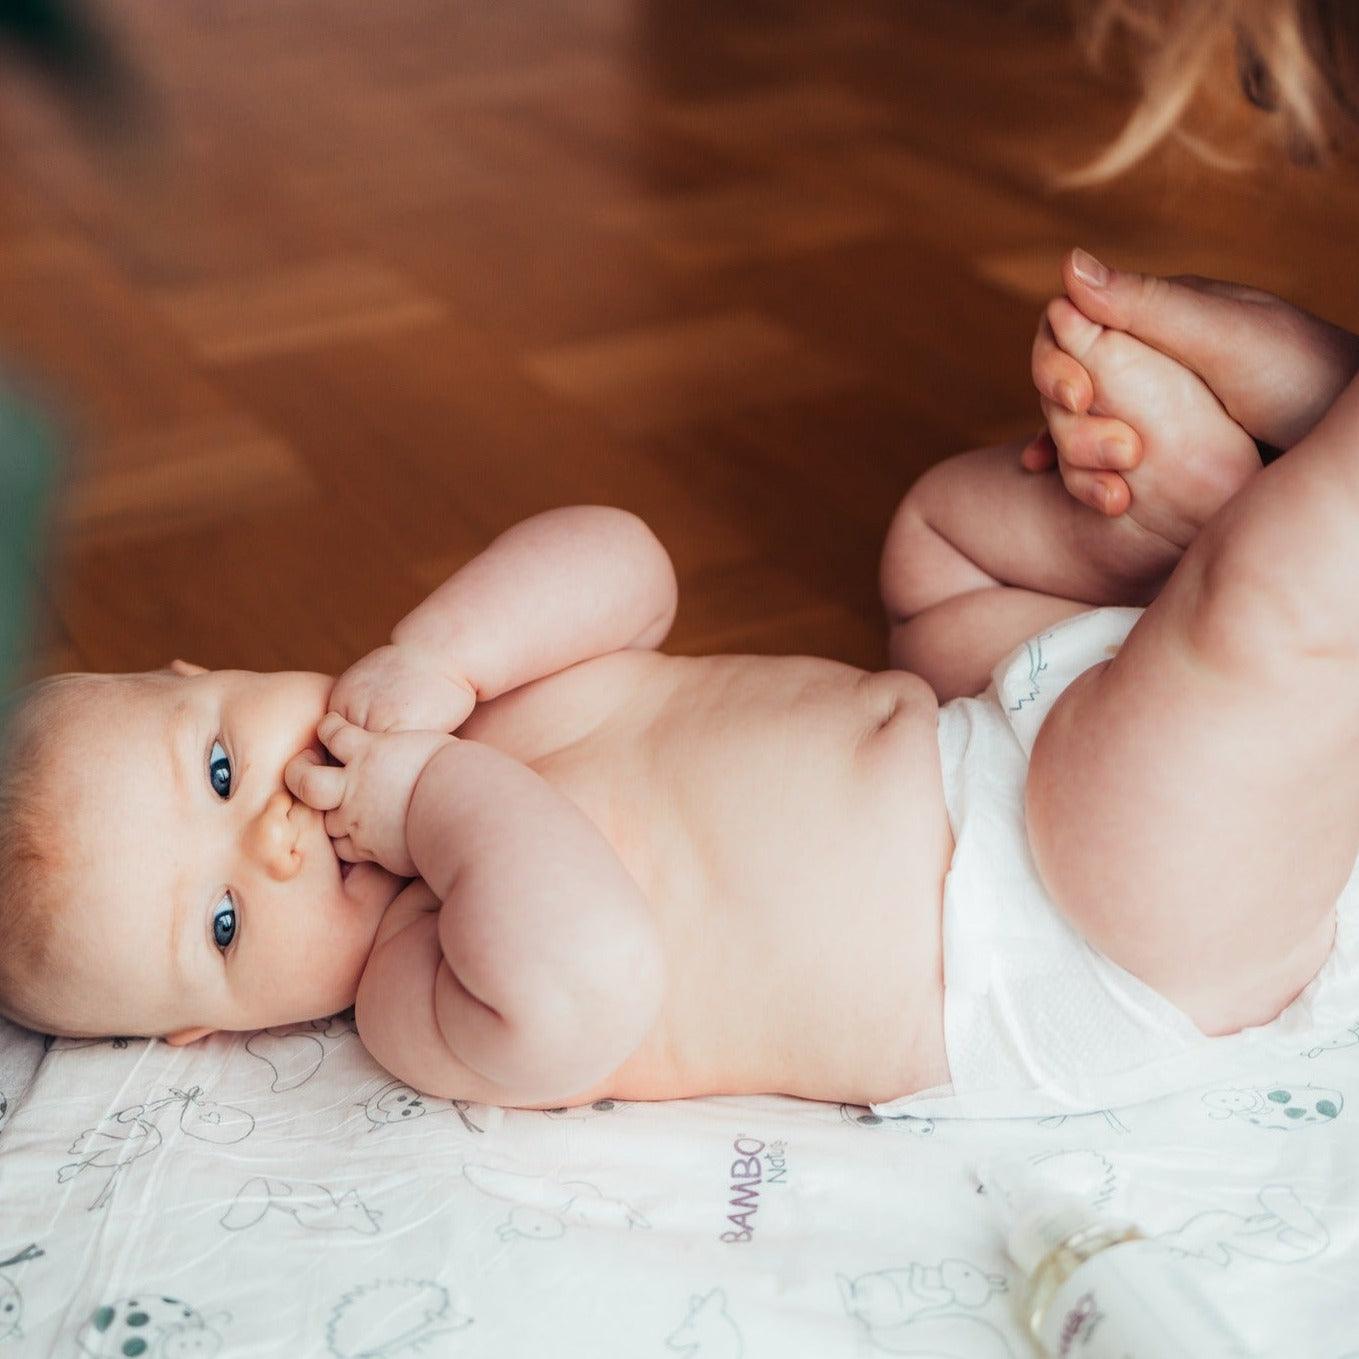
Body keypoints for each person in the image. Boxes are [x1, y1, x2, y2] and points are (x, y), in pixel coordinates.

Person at [4, 0, 1359, 1119]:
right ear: (202, 1036)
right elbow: (593, 970)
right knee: (1263, 617)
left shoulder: (451, 692)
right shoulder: (423, 991)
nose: (280, 843)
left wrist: (442, 654)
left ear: (205, 671)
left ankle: (1157, 543)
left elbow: (631, 568)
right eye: (229, 926)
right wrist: (425, 802)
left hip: (979, 725)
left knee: (931, 552)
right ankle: (1299, 460)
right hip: (1059, 923)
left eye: (222, 769)